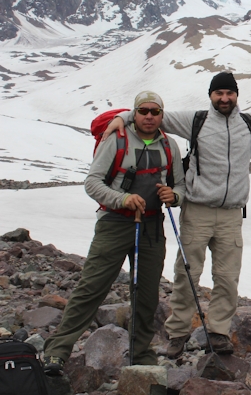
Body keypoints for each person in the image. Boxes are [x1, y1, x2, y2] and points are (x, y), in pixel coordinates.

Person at [104, 72, 251, 357]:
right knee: (187, 273)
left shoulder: (250, 123)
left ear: (236, 95)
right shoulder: (196, 120)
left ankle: (218, 332)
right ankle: (177, 334)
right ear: (211, 95)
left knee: (227, 277)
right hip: (198, 210)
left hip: (231, 215)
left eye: (229, 93)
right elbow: (154, 115)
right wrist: (123, 117)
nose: (224, 98)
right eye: (219, 93)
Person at [43, 92, 185, 375]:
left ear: (161, 115)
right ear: (134, 113)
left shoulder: (170, 145)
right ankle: (56, 351)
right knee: (92, 287)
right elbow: (92, 182)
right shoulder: (116, 140)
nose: (149, 116)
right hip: (114, 223)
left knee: (146, 295)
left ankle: (142, 356)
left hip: (152, 226)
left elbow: (179, 184)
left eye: (155, 111)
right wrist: (122, 199)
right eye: (143, 110)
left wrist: (174, 196)